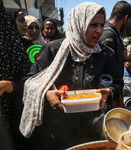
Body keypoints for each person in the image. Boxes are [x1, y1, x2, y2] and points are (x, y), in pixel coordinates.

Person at [19, 2, 123, 150]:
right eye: (93, 25)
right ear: (78, 23)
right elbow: (28, 81)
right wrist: (47, 93)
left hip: (92, 127)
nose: (99, 31)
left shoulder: (106, 54)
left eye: (101, 25)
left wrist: (109, 91)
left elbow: (118, 83)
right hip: (58, 130)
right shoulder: (53, 49)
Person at [0, 1, 32, 149]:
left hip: (11, 116)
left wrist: (10, 85)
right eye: (21, 21)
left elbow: (29, 82)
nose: (26, 25)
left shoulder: (14, 46)